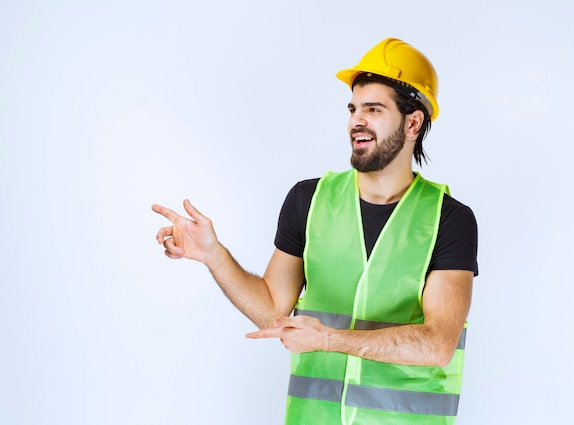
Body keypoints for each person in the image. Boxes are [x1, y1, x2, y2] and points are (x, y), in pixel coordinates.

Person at [152, 37, 478, 425]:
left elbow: (437, 343)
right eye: (354, 109)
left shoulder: (448, 218)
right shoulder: (309, 200)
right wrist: (213, 255)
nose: (357, 120)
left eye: (374, 109)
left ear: (413, 122)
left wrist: (329, 341)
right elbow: (273, 310)